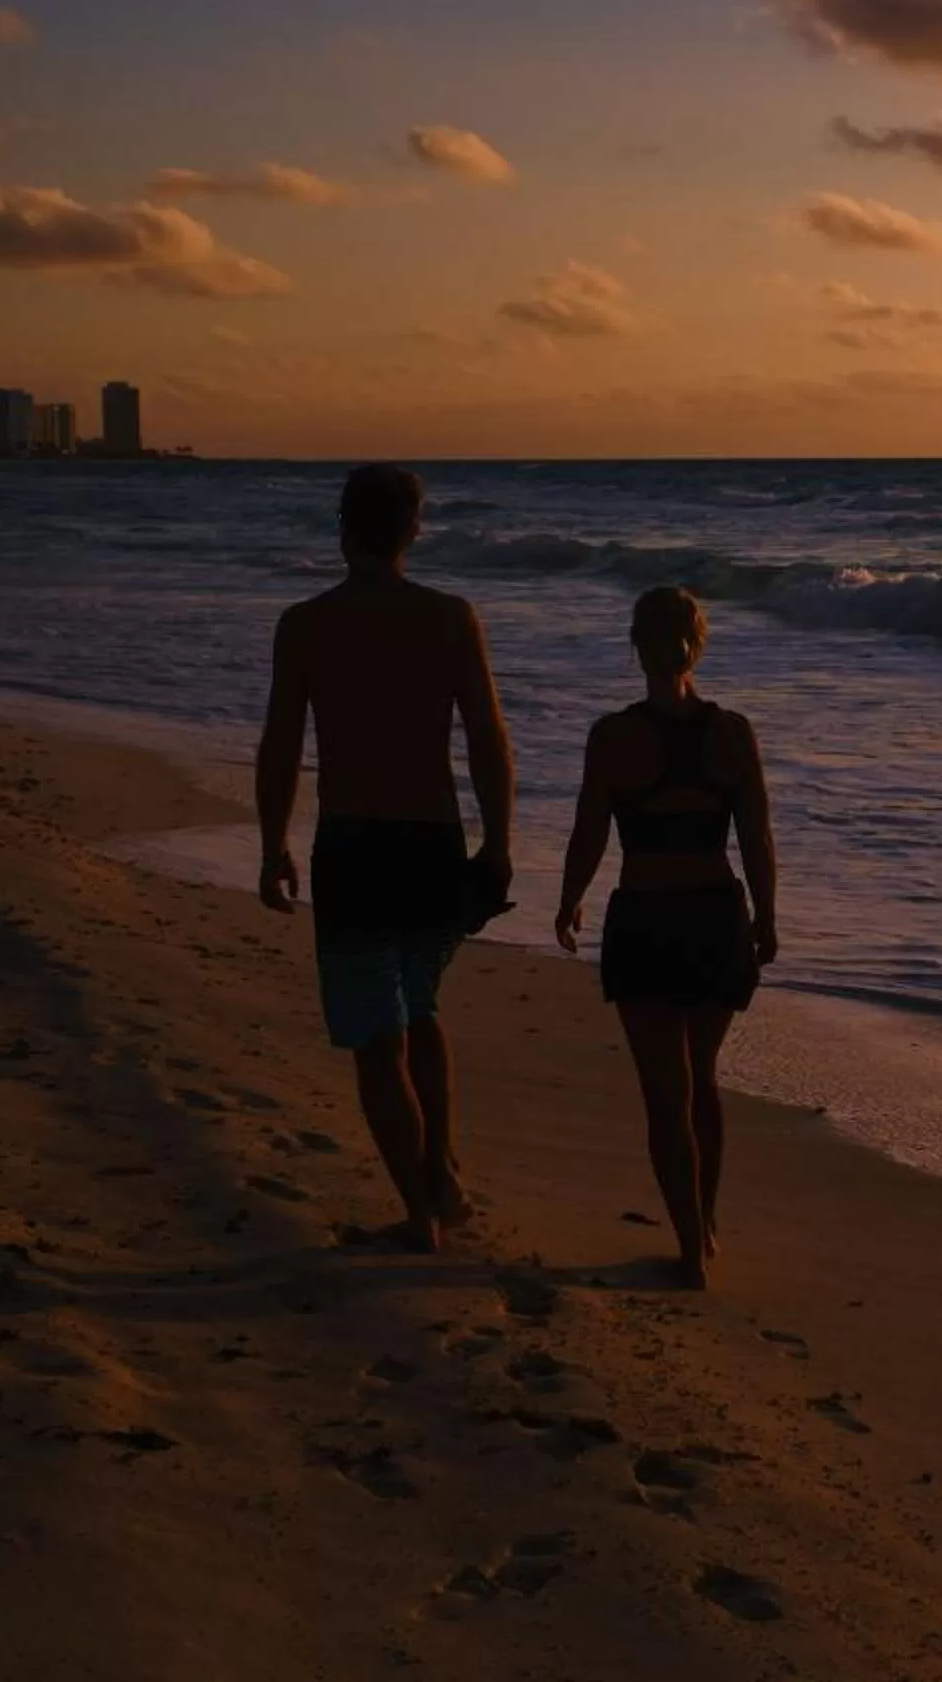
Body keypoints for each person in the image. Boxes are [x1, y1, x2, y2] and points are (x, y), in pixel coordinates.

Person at [256, 464, 513, 1254]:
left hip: (354, 845)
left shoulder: (306, 625)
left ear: (343, 529)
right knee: (420, 1010)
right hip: (432, 842)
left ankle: (421, 1214)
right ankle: (441, 1172)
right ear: (412, 532)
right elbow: (487, 738)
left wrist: (273, 844)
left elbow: (281, 746)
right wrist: (499, 841)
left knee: (377, 1039)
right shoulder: (450, 618)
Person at [555, 586, 777, 1289]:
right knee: (701, 1082)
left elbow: (590, 831)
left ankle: (689, 1250)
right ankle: (705, 1227)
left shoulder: (612, 737)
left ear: (634, 646)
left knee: (664, 1095)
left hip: (647, 919)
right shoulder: (732, 733)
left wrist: (569, 900)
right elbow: (757, 837)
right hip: (715, 917)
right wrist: (767, 916)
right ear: (698, 644)